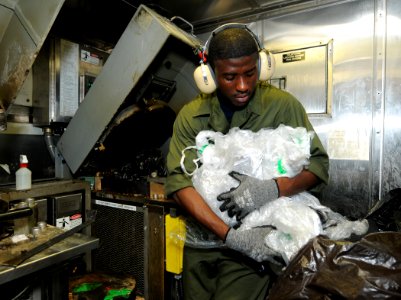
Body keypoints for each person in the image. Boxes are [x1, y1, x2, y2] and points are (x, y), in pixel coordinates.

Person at [165, 24, 329, 300]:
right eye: (229, 77)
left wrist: (273, 188)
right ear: (210, 75)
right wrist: (229, 235)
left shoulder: (283, 107)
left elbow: (318, 167)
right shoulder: (191, 115)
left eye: (250, 73)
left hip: (255, 242)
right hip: (201, 244)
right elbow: (179, 183)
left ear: (262, 67)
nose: (242, 86)